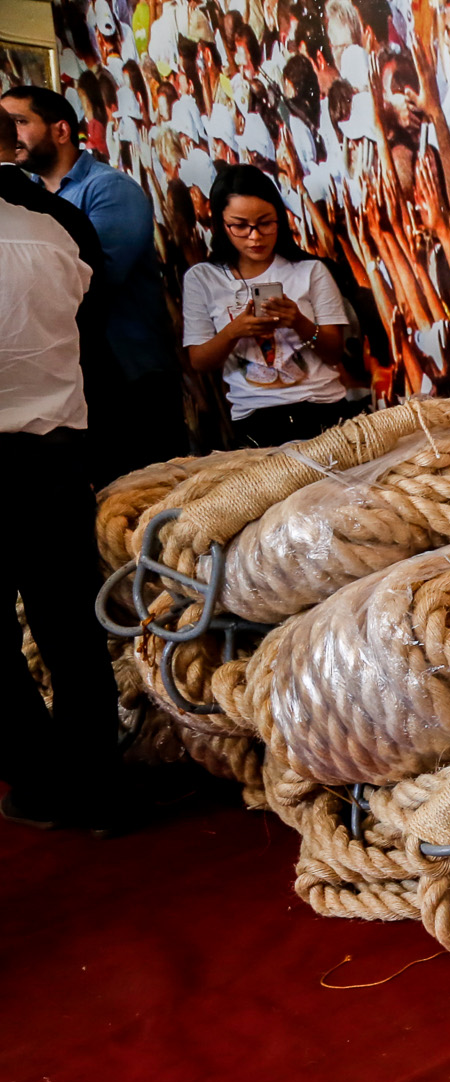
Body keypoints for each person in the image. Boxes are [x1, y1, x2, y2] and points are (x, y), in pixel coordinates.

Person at [0, 106, 126, 831]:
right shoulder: (58, 229)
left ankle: (41, 780)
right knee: (72, 631)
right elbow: (83, 317)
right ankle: (99, 789)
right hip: (52, 455)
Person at [2, 83, 181, 471]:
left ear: (61, 131)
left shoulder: (109, 189)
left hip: (132, 373)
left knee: (148, 496)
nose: (10, 133)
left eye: (18, 121)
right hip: (80, 381)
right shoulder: (27, 197)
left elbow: (92, 285)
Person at [180, 163, 355, 446]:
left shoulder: (309, 270)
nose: (255, 236)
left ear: (280, 219)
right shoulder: (202, 278)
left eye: (265, 223)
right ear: (221, 225)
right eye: (240, 226)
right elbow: (200, 361)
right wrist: (234, 331)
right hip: (255, 417)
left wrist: (298, 321)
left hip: (322, 407)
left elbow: (334, 352)